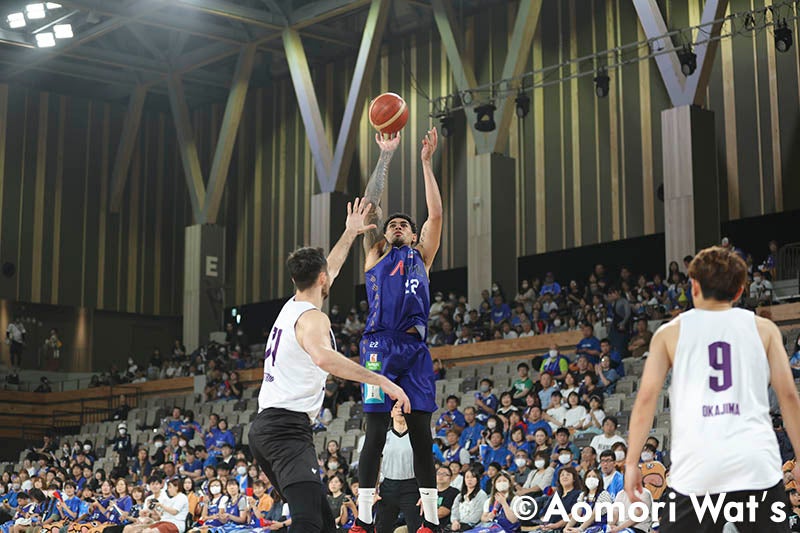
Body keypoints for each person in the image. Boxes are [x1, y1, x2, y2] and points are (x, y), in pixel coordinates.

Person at [248, 200, 411, 533]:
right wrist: (380, 380)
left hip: (267, 428)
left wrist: (351, 232)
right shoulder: (313, 318)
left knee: (322, 523)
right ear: (321, 279)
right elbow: (324, 358)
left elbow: (330, 267)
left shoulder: (293, 305)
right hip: (286, 430)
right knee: (307, 522)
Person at [625, 246, 800, 533]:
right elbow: (789, 397)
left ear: (693, 286)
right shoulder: (764, 329)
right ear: (740, 290)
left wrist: (632, 462)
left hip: (696, 470)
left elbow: (645, 399)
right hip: (755, 466)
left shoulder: (670, 332)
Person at [354, 128, 444, 533]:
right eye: (393, 224)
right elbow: (369, 208)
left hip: (414, 348)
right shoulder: (375, 253)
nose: (397, 225)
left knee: (421, 430)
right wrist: (386, 157)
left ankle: (428, 520)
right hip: (377, 347)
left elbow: (436, 215)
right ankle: (361, 517)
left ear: (413, 234)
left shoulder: (421, 256)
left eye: (404, 224)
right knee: (375, 430)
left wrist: (426, 163)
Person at [374, 401, 422, 533]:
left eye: (402, 407)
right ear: (390, 413)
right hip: (388, 486)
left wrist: (425, 492)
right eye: (396, 407)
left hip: (412, 486)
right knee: (382, 527)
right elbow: (375, 464)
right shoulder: (384, 436)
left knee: (416, 527)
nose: (399, 410)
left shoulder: (417, 436)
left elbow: (425, 465)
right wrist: (374, 487)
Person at [563, 468, 612, 533]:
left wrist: (580, 529)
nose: (591, 478)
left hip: (600, 528)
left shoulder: (604, 494)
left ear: (599, 479)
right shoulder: (582, 495)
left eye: (594, 476)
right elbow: (576, 514)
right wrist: (566, 528)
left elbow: (593, 515)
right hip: (585, 528)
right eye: (588, 476)